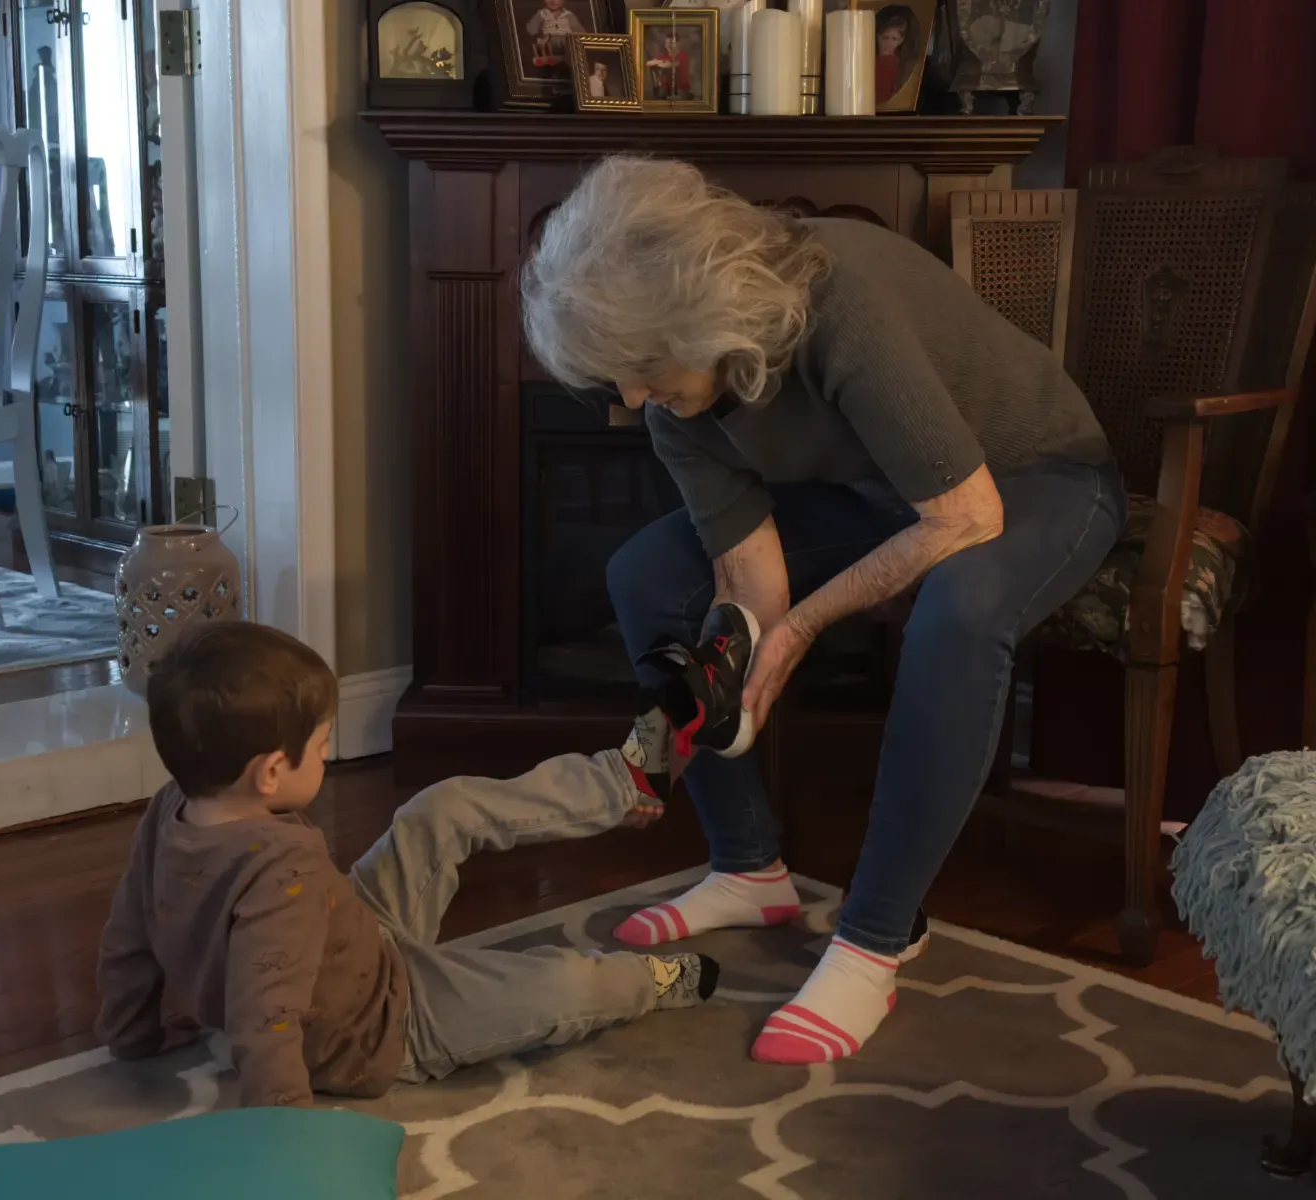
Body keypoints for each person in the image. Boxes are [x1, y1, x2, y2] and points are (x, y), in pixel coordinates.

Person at [521, 156, 1123, 1066]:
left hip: (1036, 478)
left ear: (699, 314)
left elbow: (966, 518)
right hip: (877, 495)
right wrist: (737, 671)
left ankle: (875, 938)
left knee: (961, 606)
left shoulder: (839, 298)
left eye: (642, 367)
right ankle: (747, 868)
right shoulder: (671, 401)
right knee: (646, 575)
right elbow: (749, 574)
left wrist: (800, 629)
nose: (634, 397)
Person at [94, 621, 718, 1107]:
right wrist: (280, 1134)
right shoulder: (282, 868)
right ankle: (647, 982)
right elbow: (266, 1017)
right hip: (384, 1029)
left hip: (354, 943)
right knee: (558, 986)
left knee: (439, 809)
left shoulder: (171, 807)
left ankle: (629, 779)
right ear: (270, 773)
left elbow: (127, 939)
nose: (324, 755)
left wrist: (132, 1035)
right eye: (319, 748)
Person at [874, 6, 917, 105]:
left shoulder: (902, 66)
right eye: (885, 38)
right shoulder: (868, 63)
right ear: (877, 37)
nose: (889, 43)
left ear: (900, 41)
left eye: (894, 39)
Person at [526, 0, 586, 70]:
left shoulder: (568, 15)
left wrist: (576, 38)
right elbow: (530, 28)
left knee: (569, 46)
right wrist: (539, 35)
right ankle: (551, 59)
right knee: (545, 46)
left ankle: (557, 60)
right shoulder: (542, 14)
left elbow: (580, 31)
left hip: (566, 40)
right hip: (549, 39)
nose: (553, 1)